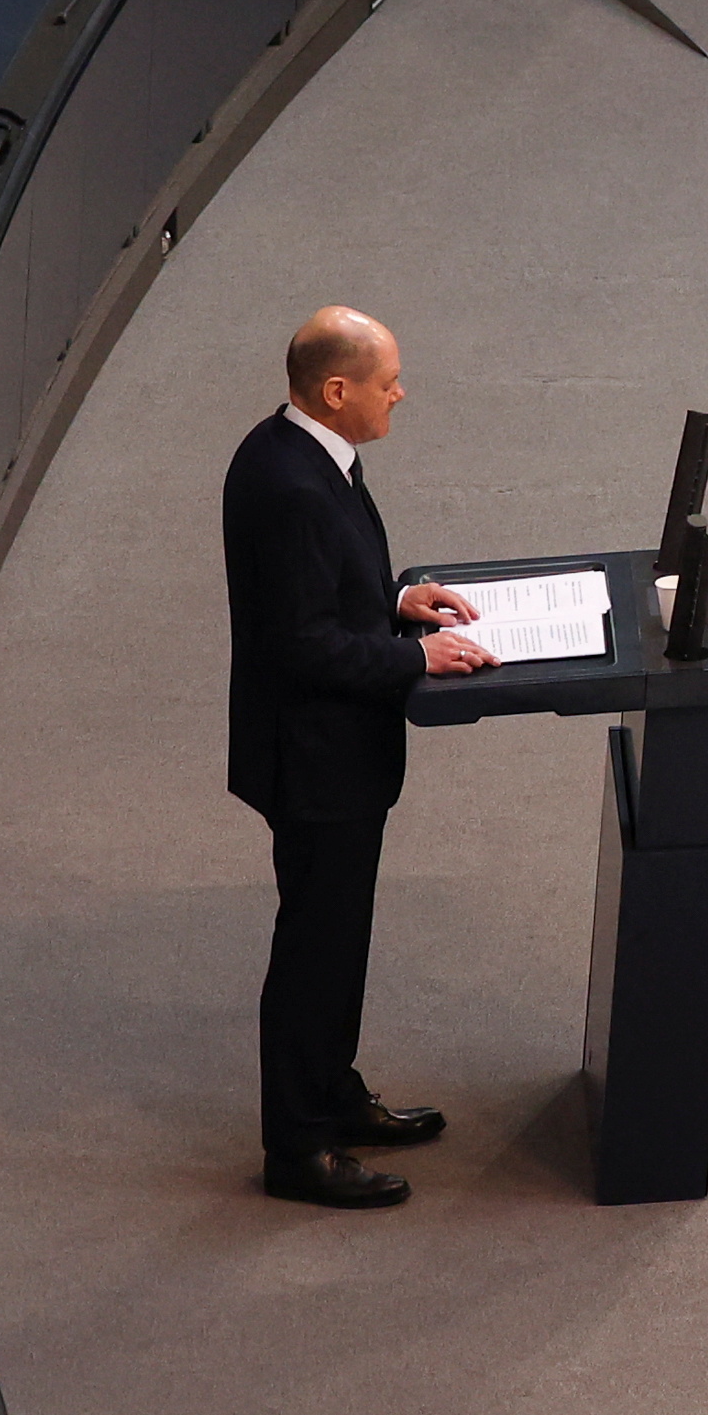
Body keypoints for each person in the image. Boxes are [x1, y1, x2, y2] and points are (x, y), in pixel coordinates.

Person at [222, 308, 486, 1209]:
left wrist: (399, 598)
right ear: (338, 392)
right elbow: (302, 645)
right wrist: (415, 657)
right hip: (315, 764)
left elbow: (328, 590)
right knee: (315, 953)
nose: (399, 393)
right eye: (388, 381)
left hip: (335, 758)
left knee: (339, 943)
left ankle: (332, 1094)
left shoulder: (305, 454)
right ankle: (297, 1149)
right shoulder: (290, 485)